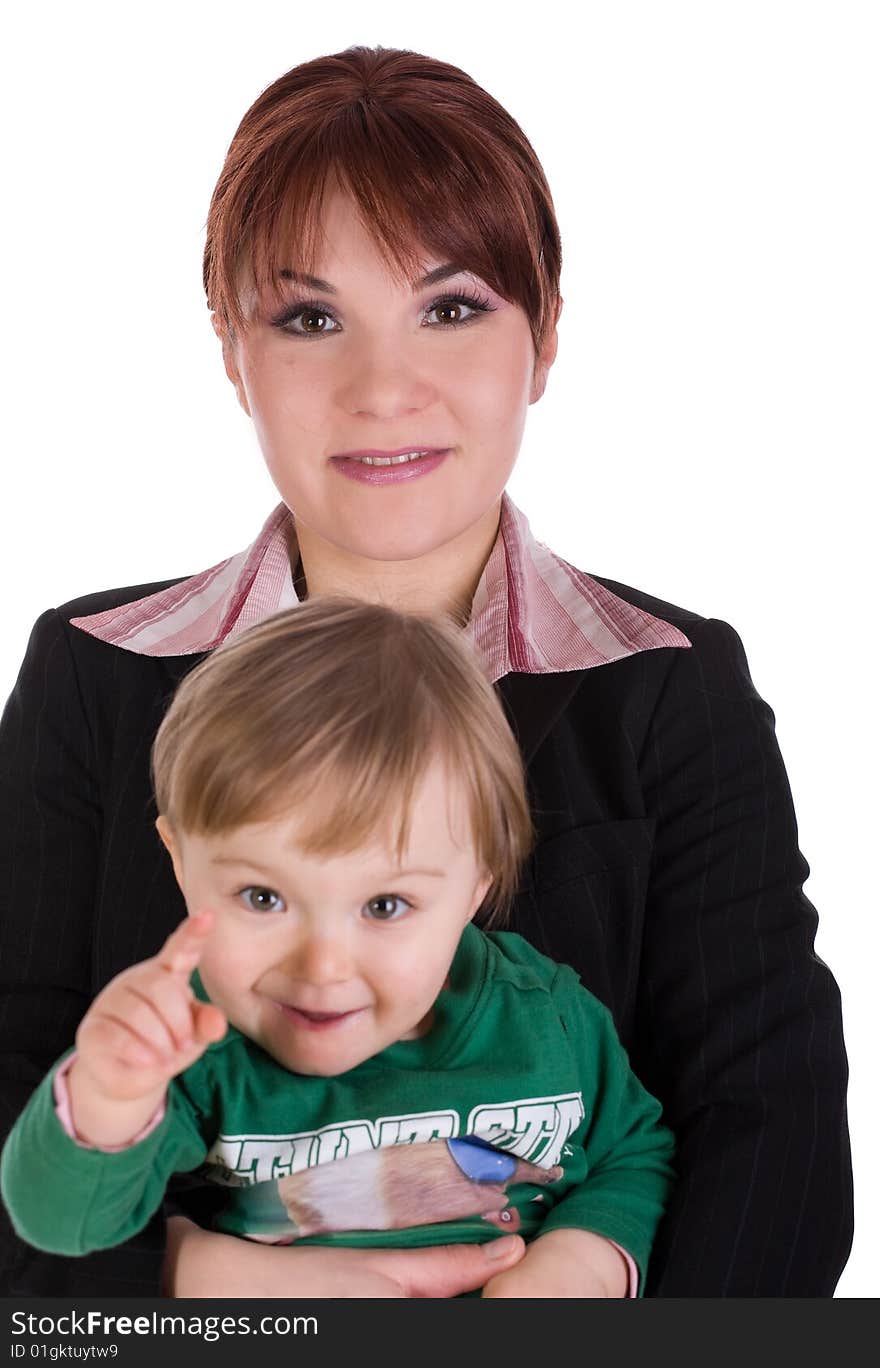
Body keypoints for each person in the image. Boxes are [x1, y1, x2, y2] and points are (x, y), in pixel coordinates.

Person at [0, 44, 852, 1298]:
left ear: (544, 338)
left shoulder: (671, 688)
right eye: (308, 318)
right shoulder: (95, 677)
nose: (382, 387)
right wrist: (207, 1290)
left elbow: (768, 1138)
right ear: (233, 352)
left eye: (450, 308)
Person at [1, 599, 676, 1298]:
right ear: (179, 859)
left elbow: (634, 1153)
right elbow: (64, 1229)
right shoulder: (190, 1043)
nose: (321, 967)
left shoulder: (547, 1017)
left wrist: (581, 1262)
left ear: (477, 885)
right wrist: (109, 1095)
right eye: (263, 898)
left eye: (385, 906)